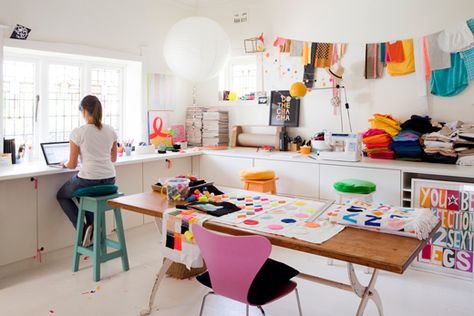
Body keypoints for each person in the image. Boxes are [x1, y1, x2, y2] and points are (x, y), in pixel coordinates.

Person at [57, 95, 118, 247]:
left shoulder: (78, 132)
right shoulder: (110, 130)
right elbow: (113, 158)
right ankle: (94, 231)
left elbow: (72, 164)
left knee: (62, 196)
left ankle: (83, 229)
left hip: (88, 179)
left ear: (84, 111)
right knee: (83, 196)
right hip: (110, 180)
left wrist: (64, 164)